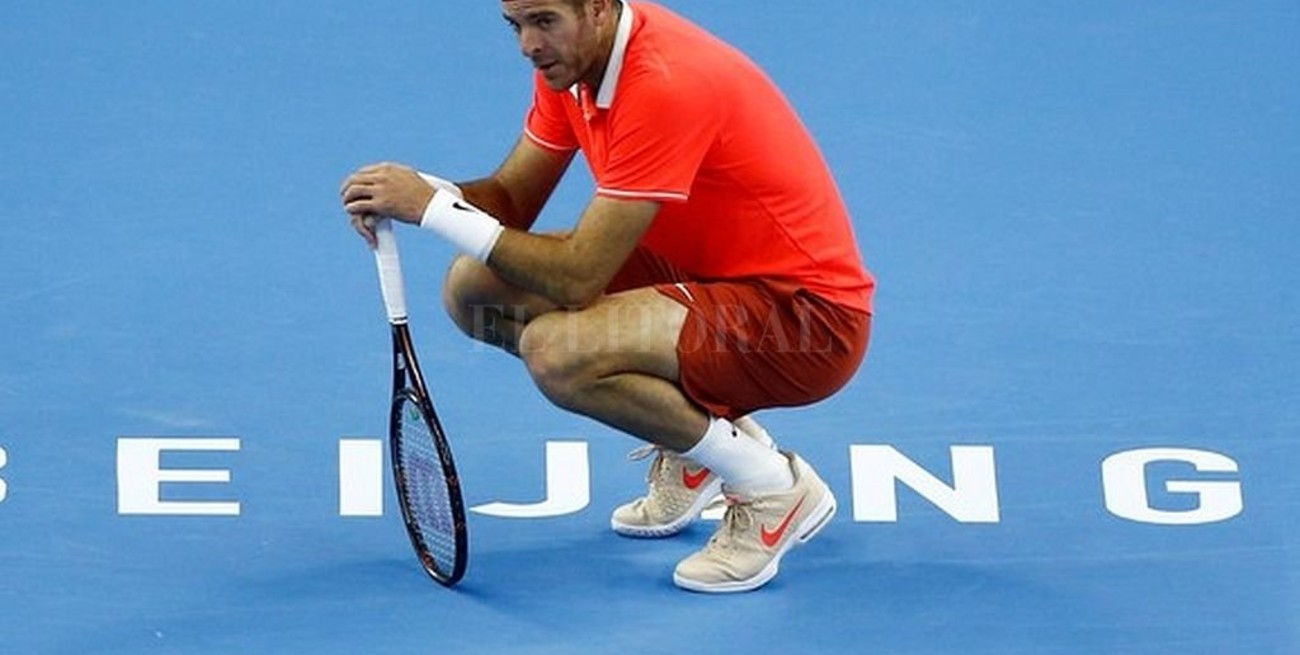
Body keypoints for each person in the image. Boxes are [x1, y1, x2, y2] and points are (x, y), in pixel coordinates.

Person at [339, 0, 874, 593]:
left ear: (596, 7)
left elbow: (576, 278)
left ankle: (773, 487)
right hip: (702, 274)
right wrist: (419, 193)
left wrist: (433, 211)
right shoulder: (575, 64)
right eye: (516, 24)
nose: (528, 45)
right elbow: (512, 200)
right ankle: (701, 452)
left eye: (544, 20)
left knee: (560, 353)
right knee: (476, 290)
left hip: (805, 323)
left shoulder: (665, 83)